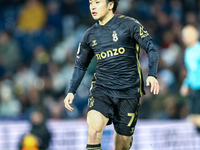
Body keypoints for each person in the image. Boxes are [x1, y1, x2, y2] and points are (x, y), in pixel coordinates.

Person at [64, 0, 159, 149]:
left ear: (110, 5)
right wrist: (71, 90)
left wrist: (152, 74)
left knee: (122, 146)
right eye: (90, 3)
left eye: (97, 2)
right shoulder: (89, 35)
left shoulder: (129, 24)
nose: (93, 6)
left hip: (129, 93)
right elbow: (80, 65)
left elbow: (151, 49)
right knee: (94, 131)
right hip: (102, 90)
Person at [180, 25, 200, 133]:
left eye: (187, 35)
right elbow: (192, 72)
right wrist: (186, 84)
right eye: (183, 36)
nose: (184, 38)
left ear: (196, 35)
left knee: (193, 118)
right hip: (195, 91)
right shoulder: (188, 52)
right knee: (194, 119)